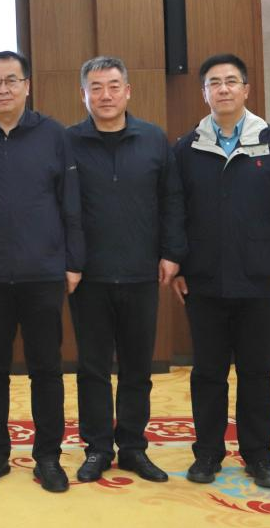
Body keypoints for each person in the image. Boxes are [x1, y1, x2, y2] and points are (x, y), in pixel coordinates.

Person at [171, 53, 270, 490]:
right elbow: (175, 213)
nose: (224, 89)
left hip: (259, 280)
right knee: (207, 374)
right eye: (214, 82)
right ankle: (207, 453)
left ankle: (258, 456)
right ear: (204, 93)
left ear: (246, 89)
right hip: (204, 281)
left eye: (231, 81)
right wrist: (178, 263)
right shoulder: (187, 148)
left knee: (256, 373)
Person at [0, 49, 84, 494]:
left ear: (27, 85)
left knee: (46, 369)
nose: (3, 89)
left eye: (11, 80)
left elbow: (70, 201)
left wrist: (73, 261)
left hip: (43, 273)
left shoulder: (54, 134)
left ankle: (48, 456)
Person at [66, 56, 185, 483]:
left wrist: (172, 253)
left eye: (114, 86)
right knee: (93, 369)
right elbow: (60, 207)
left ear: (128, 91)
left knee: (137, 368)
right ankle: (97, 448)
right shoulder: (68, 142)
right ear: (84, 94)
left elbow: (172, 200)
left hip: (141, 273)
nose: (106, 95)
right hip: (88, 277)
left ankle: (133, 447)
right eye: (96, 88)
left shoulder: (153, 139)